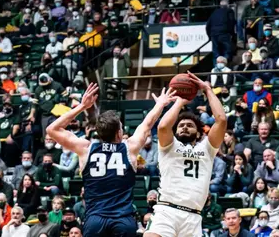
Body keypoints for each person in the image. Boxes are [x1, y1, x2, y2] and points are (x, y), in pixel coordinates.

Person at [47, 83, 176, 237]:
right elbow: (147, 124)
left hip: (95, 220)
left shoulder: (86, 149)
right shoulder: (129, 148)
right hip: (122, 220)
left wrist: (82, 106)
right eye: (121, 127)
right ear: (118, 132)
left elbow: (52, 129)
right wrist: (160, 104)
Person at [144, 72, 227, 237]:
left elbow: (221, 120)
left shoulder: (207, 149)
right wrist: (180, 102)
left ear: (198, 134)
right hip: (167, 211)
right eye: (181, 125)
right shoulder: (169, 146)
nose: (184, 127)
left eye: (190, 125)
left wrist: (207, 90)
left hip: (193, 216)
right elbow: (162, 127)